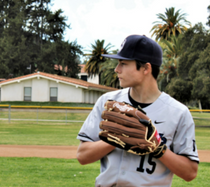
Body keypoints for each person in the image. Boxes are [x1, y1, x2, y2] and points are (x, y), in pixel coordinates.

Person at [76, 34, 199, 187]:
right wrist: (118, 138)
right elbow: (82, 156)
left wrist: (157, 148)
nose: (116, 69)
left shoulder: (178, 113)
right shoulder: (107, 102)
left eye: (123, 63)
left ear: (146, 68)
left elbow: (190, 172)